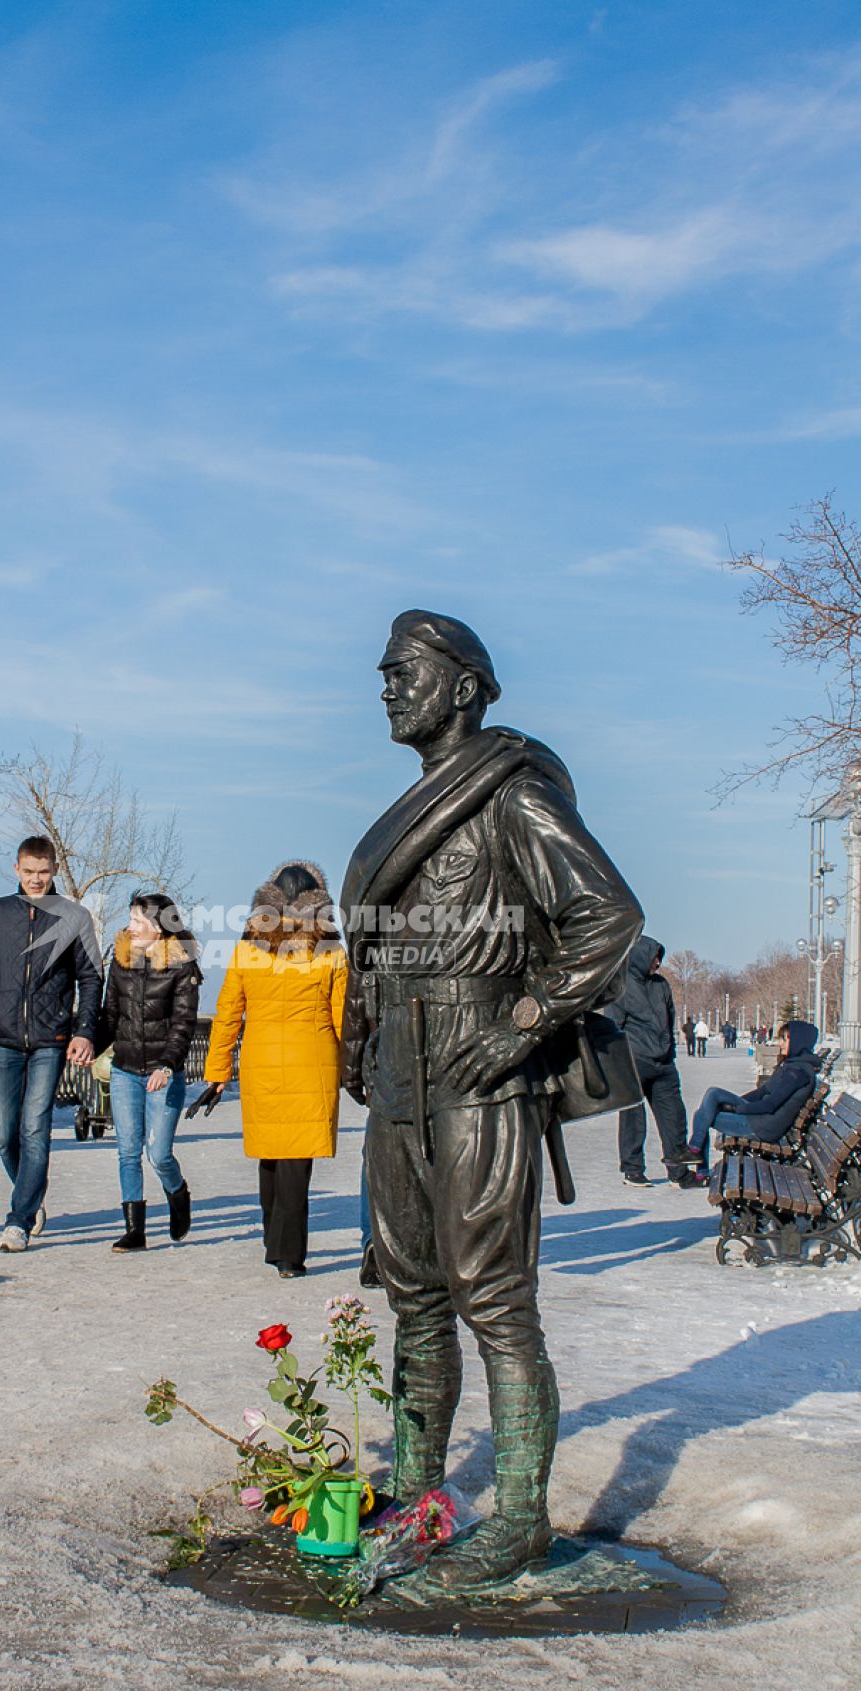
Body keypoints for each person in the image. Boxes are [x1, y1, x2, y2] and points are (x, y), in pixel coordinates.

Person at [341, 609, 642, 1590]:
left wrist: (519, 1024)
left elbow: (607, 914)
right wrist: (359, 1042)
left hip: (476, 1070)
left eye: (405, 671)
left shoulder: (509, 791)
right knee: (414, 1296)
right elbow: (374, 944)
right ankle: (419, 1490)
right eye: (382, 672)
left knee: (494, 1298)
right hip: (397, 1073)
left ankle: (516, 1517)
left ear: (464, 684)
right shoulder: (409, 806)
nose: (385, 684)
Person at [205, 861, 348, 1279]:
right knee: (296, 1161)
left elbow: (228, 1013)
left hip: (261, 1061)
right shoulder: (331, 951)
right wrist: (355, 1069)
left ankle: (274, 1238)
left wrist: (217, 1071)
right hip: (312, 1062)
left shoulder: (247, 948)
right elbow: (344, 1019)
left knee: (271, 1154)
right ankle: (288, 1254)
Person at [0, 837, 101, 1253]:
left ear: (55, 869)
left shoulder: (74, 917)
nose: (36, 879)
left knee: (35, 1127)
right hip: (3, 1036)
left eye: (43, 872)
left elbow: (91, 977)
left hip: (51, 1038)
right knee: (4, 1132)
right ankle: (31, 1192)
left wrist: (84, 1030)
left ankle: (18, 1219)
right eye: (29, 872)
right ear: (16, 869)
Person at [101, 892, 201, 1252]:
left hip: (163, 1072)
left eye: (138, 921)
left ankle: (178, 1194)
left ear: (159, 928)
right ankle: (134, 1230)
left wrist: (167, 1065)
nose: (130, 927)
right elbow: (110, 1015)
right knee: (128, 1152)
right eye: (130, 919)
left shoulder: (182, 966)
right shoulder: (120, 959)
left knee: (158, 1154)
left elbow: (183, 1025)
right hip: (125, 1069)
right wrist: (86, 1043)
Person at [606, 936, 697, 1189]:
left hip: (664, 1063)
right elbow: (613, 1026)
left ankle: (678, 1171)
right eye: (654, 957)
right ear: (640, 957)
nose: (657, 962)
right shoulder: (621, 986)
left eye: (659, 957)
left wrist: (670, 1054)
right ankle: (633, 1169)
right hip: (635, 1061)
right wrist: (619, 1063)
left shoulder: (661, 985)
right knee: (633, 1118)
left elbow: (669, 1019)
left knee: (674, 1116)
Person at [680, 1020, 823, 1170]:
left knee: (702, 1115)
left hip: (763, 1127)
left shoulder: (797, 1073)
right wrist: (740, 1102)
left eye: (785, 1039)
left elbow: (770, 1105)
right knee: (713, 1094)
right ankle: (695, 1153)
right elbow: (764, 1091)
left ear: (798, 1042)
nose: (780, 1043)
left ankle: (695, 1152)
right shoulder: (793, 1065)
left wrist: (738, 1109)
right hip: (760, 1119)